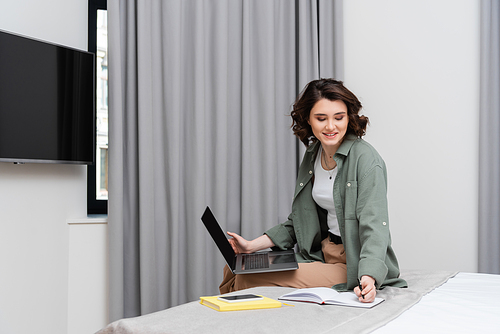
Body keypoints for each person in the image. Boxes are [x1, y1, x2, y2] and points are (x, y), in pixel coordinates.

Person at [219, 78, 407, 302]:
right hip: (322, 253)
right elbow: (300, 220)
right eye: (321, 118)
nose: (331, 126)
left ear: (349, 117)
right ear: (308, 119)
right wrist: (251, 246)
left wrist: (368, 277)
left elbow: (374, 226)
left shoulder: (366, 160)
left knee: (247, 279)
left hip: (352, 262)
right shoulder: (313, 155)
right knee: (234, 267)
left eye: (339, 117)